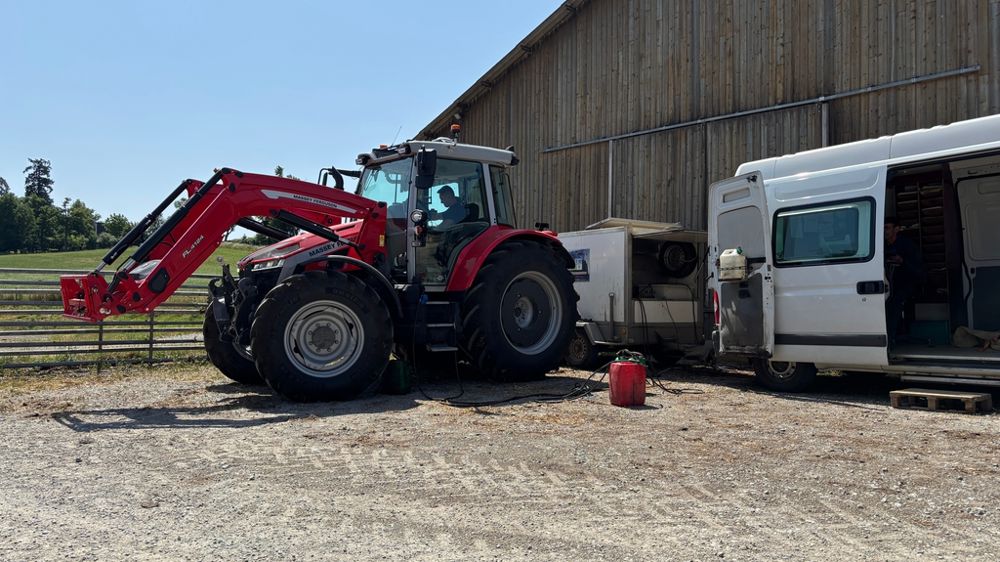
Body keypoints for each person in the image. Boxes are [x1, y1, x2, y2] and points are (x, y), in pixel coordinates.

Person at [884, 216, 924, 345]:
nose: (884, 231)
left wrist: (902, 261)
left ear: (897, 229)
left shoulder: (907, 245)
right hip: (890, 285)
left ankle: (890, 341)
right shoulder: (883, 245)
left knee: (893, 305)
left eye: (887, 228)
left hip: (908, 283)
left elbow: (918, 268)